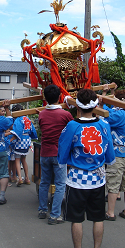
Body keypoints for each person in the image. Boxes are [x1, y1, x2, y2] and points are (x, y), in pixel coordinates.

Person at [58, 89, 115, 248]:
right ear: (96, 105)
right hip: (98, 179)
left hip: (76, 179)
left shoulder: (72, 126)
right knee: (98, 217)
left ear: (78, 107)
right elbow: (110, 158)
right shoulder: (104, 125)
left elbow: (62, 155)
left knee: (76, 218)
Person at [99, 87, 125, 220]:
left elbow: (103, 112)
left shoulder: (118, 116)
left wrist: (102, 98)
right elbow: (116, 107)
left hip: (118, 154)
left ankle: (110, 212)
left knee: (113, 184)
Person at [38, 84, 73, 225]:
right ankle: (55, 215)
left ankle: (42, 210)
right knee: (60, 184)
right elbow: (73, 129)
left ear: (45, 98)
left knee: (44, 182)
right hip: (59, 154)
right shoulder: (65, 114)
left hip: (44, 153)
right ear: (60, 97)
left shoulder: (41, 114)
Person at [9, 104, 38, 186]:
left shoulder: (18, 119)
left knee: (17, 159)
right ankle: (27, 178)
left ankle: (20, 178)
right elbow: (33, 131)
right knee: (24, 159)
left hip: (20, 140)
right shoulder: (27, 119)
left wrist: (11, 139)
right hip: (27, 140)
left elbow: (17, 131)